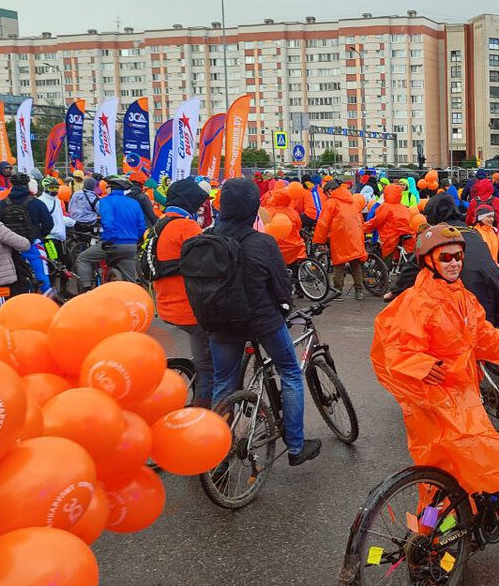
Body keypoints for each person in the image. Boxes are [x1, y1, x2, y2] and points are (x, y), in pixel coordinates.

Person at [371, 224, 499, 508]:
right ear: (429, 261)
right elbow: (394, 347)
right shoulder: (417, 302)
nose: (454, 263)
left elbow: (482, 337)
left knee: (462, 466)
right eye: (446, 257)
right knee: (450, 464)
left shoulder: (463, 297)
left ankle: (458, 521)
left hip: (463, 392)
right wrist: (420, 365)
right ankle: (431, 531)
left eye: (458, 257)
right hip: (434, 400)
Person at [207, 178, 320, 465]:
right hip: (262, 321)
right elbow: (281, 285)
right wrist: (285, 308)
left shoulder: (205, 239)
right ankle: (295, 447)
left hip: (219, 322)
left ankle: (216, 453)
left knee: (223, 383)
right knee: (291, 374)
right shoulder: (262, 242)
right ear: (253, 208)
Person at [389, 193, 499, 328]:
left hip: (466, 289)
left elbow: (415, 263)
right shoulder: (472, 232)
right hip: (494, 284)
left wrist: (396, 290)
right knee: (488, 329)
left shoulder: (439, 233)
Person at [151, 179, 214, 408]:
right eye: (198, 203)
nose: (200, 207)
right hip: (189, 307)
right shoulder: (186, 227)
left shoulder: (160, 224)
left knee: (203, 354)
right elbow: (209, 265)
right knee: (209, 367)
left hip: (167, 305)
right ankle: (204, 415)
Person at [76, 176, 147, 290]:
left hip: (113, 243)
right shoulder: (134, 203)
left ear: (111, 188)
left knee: (83, 259)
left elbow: (108, 222)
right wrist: (135, 239)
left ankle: (87, 290)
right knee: (130, 283)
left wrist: (108, 239)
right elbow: (141, 226)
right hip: (131, 246)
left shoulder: (105, 201)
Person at [314, 180, 368, 299]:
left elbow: (323, 223)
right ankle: (359, 291)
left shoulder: (331, 202)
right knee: (355, 264)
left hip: (340, 237)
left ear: (329, 191)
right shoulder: (353, 201)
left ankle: (338, 291)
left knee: (339, 264)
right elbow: (360, 220)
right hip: (356, 236)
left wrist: (319, 240)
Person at [365, 182, 414, 262]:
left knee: (386, 260)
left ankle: (386, 270)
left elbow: (376, 221)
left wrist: (364, 227)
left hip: (390, 236)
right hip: (406, 233)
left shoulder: (385, 207)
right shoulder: (403, 207)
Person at [38, 176, 75, 269]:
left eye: (56, 187)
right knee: (53, 264)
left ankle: (63, 284)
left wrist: (74, 222)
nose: (54, 190)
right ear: (45, 187)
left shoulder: (57, 200)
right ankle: (52, 283)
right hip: (49, 239)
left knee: (68, 263)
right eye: (51, 187)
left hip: (60, 238)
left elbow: (59, 218)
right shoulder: (41, 201)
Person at [266, 188, 307, 267]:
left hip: (276, 248)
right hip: (294, 248)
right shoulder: (293, 212)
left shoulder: (268, 212)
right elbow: (299, 227)